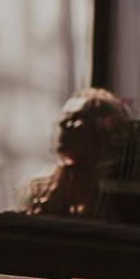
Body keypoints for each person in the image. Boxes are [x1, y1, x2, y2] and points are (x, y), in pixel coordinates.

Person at [22, 88, 130, 219]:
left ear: (101, 131)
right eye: (64, 117)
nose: (63, 124)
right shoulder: (38, 189)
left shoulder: (118, 191)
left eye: (76, 118)